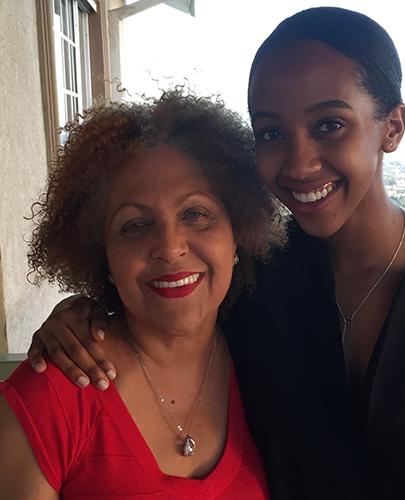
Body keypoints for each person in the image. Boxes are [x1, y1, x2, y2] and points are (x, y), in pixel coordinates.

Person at [25, 7, 405, 500]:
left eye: (329, 124)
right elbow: (163, 311)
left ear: (393, 127)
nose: (299, 162)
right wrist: (76, 318)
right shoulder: (254, 276)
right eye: (271, 132)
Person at [0, 89, 287, 499]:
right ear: (105, 259)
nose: (170, 248)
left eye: (195, 214)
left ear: (238, 234)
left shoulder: (266, 363)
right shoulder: (53, 395)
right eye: (134, 225)